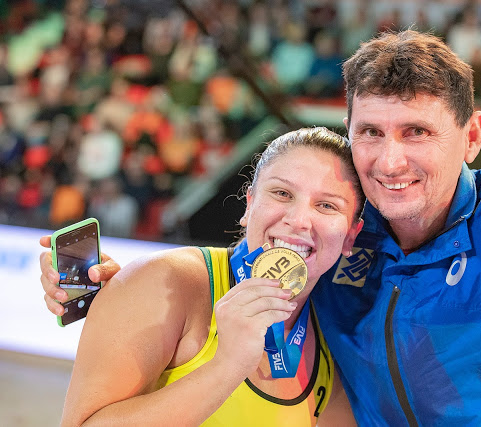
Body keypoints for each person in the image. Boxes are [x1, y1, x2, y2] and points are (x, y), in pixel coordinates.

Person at [41, 31, 481, 425]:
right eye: (370, 133)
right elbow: (265, 255)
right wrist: (117, 289)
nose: (389, 160)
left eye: (417, 132)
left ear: (474, 137)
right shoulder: (351, 234)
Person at [40, 127, 364, 426]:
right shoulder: (169, 281)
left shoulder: (337, 337)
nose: (298, 219)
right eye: (281, 193)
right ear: (249, 205)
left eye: (326, 206)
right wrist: (227, 365)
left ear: (351, 235)